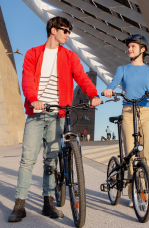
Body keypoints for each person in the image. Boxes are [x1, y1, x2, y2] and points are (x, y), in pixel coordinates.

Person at [8, 16, 102, 223]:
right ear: (53, 30)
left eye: (69, 31)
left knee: (50, 160)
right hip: (36, 113)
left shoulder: (69, 56)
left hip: (58, 114)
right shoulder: (33, 53)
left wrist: (94, 94)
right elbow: (27, 80)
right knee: (27, 160)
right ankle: (19, 204)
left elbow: (82, 78)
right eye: (65, 31)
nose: (68, 35)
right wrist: (33, 100)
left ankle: (48, 202)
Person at [103, 34, 149, 211]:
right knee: (130, 154)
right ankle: (133, 193)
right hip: (128, 112)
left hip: (147, 112)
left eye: (133, 47)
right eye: (128, 47)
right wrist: (109, 89)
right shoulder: (122, 68)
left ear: (143, 49)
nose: (129, 49)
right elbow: (114, 83)